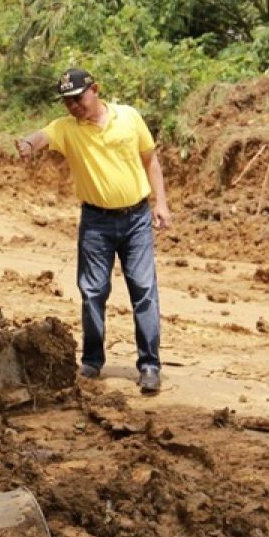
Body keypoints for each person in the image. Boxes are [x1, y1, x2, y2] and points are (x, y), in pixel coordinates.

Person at [16, 68, 171, 394]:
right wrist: (28, 144)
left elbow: (150, 160)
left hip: (137, 220)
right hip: (96, 224)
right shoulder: (67, 128)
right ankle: (92, 360)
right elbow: (42, 136)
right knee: (93, 293)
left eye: (78, 98)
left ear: (95, 90)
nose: (73, 106)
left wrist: (162, 203)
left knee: (144, 291)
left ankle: (149, 366)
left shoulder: (129, 118)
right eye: (67, 102)